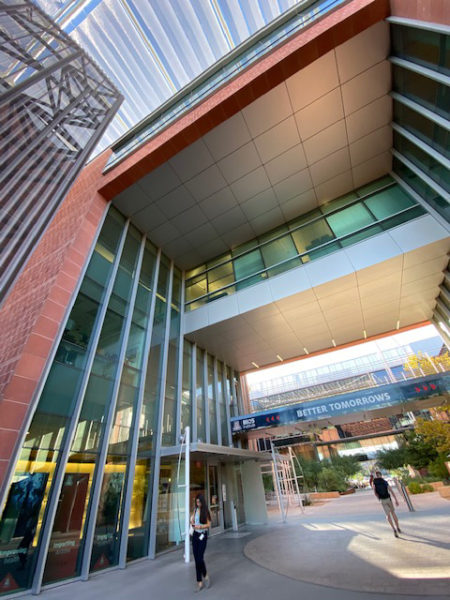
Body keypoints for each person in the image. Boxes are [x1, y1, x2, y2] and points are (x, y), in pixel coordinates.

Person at [190, 493, 211, 592]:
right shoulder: (195, 510)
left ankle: (205, 574)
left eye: (199, 502)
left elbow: (209, 524)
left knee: (199, 558)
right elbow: (192, 519)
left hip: (203, 535)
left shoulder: (205, 511)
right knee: (196, 558)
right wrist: (192, 521)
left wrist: (200, 527)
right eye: (196, 502)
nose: (198, 503)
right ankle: (199, 582)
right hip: (195, 535)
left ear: (202, 501)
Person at [373, 470, 402, 537]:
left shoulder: (374, 483)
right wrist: (396, 500)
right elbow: (391, 491)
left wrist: (379, 498)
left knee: (388, 515)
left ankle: (393, 529)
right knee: (393, 513)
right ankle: (398, 527)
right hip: (388, 499)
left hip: (382, 500)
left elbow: (375, 493)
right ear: (381, 475)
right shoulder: (384, 482)